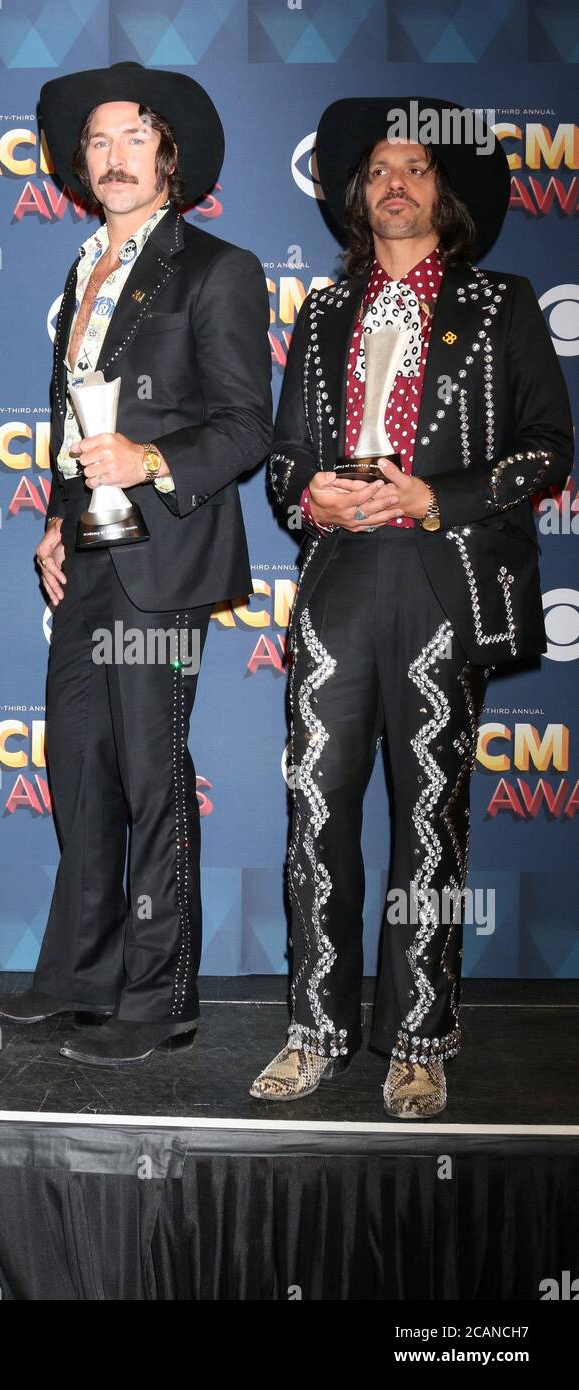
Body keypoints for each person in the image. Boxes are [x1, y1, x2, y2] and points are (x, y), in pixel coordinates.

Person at [250, 98, 573, 1116]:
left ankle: (419, 1037)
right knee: (314, 810)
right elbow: (281, 456)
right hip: (337, 578)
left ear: (444, 192)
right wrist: (306, 493)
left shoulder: (500, 302)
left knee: (428, 820)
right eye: (378, 170)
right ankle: (314, 1027)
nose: (394, 183)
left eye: (415, 168)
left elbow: (542, 448)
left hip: (441, 578)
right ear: (355, 195)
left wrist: (438, 495)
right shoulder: (319, 312)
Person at [0, 62, 272, 1066]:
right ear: (78, 163)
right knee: (79, 768)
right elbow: (76, 427)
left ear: (168, 155)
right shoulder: (77, 271)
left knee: (151, 775)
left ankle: (160, 994)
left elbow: (244, 428)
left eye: (132, 137)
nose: (112, 156)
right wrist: (59, 519)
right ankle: (82, 972)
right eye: (96, 141)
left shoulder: (216, 269)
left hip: (164, 556)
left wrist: (150, 459)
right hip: (90, 551)